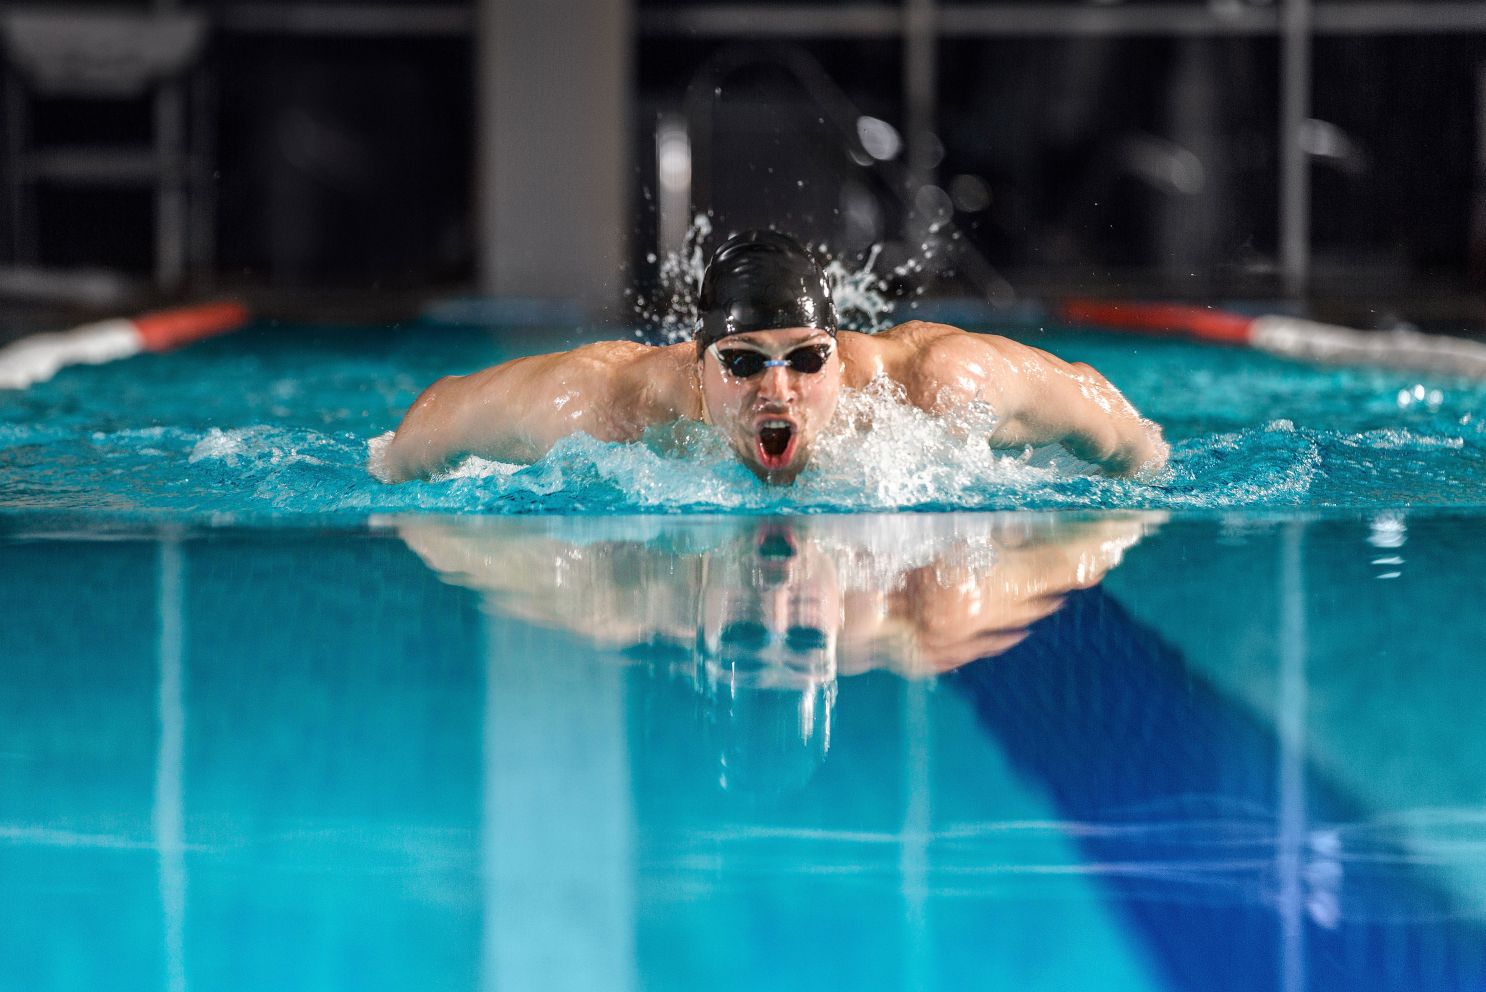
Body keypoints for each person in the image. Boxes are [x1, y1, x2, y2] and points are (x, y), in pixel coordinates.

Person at [380, 230, 1168, 484]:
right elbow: (429, 421)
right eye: (744, 363)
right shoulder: (604, 404)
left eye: (805, 359)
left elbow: (1115, 424)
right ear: (697, 366)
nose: (779, 390)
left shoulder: (934, 388)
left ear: (839, 354)